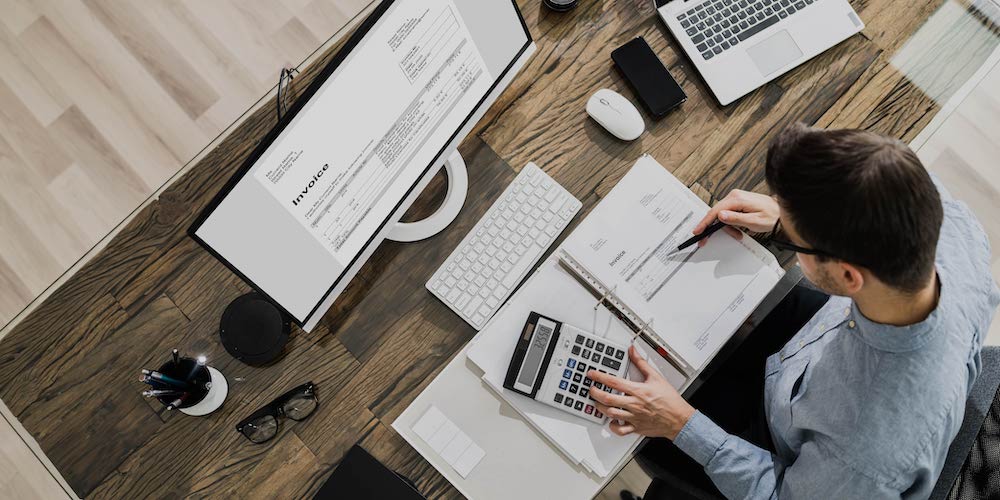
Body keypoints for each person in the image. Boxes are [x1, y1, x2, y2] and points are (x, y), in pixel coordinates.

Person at [587, 123, 1000, 499]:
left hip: (790, 453)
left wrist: (678, 423)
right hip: (817, 349)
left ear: (849, 276)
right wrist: (790, 220)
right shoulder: (952, 226)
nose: (788, 233)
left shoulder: (865, 449)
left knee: (649, 436)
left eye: (799, 243)